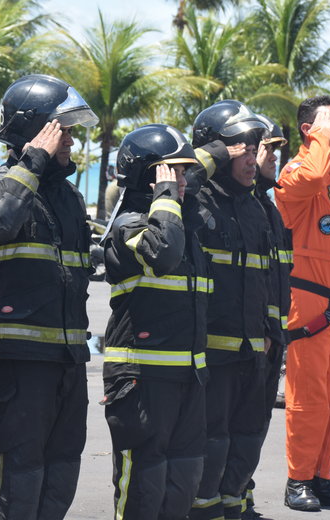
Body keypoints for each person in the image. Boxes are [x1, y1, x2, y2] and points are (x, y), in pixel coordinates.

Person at [0, 74, 99, 520]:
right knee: (16, 488)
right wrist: (34, 160)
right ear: (35, 131)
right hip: (18, 365)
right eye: (61, 130)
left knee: (60, 479)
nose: (70, 141)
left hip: (66, 363)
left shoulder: (69, 198)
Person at [101, 124, 209, 519]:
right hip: (142, 380)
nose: (182, 181)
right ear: (150, 176)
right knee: (144, 490)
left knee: (182, 483)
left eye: (184, 172)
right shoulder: (130, 224)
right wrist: (166, 198)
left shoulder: (183, 228)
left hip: (187, 379)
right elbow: (161, 254)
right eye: (173, 172)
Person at [187, 100, 282, 520]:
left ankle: (235, 509)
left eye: (255, 146)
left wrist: (270, 336)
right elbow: (176, 184)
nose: (252, 156)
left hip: (253, 352)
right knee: (212, 443)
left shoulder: (254, 206)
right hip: (212, 355)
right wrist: (209, 156)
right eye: (241, 147)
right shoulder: (195, 201)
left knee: (247, 441)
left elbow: (267, 280)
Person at [274, 95, 330, 511]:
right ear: (310, 130)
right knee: (306, 401)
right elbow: (309, 178)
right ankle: (297, 480)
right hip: (311, 309)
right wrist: (323, 135)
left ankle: (321, 475)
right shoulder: (297, 172)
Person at [241, 114, 293, 518]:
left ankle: (242, 493)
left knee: (253, 430)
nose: (274, 156)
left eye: (276, 149)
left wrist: (278, 332)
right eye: (266, 148)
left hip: (270, 340)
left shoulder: (268, 208)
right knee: (230, 431)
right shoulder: (236, 206)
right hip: (242, 345)